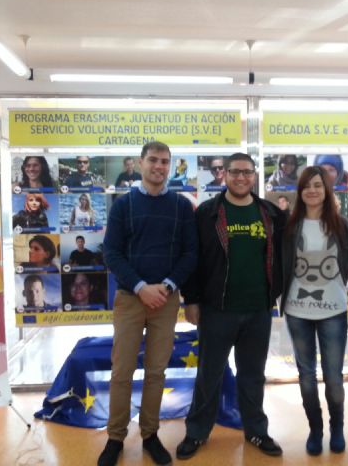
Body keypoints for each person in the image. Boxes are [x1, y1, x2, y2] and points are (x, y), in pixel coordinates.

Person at [176, 153, 287, 460]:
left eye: (247, 173)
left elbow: (282, 255)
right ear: (224, 174)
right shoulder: (208, 213)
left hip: (258, 309)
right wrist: (192, 300)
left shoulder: (269, 213)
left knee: (253, 375)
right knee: (209, 375)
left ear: (254, 176)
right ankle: (197, 432)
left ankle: (256, 430)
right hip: (217, 310)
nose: (241, 178)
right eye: (235, 172)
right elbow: (194, 259)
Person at [98, 141, 197, 466]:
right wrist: (141, 287)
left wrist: (166, 286)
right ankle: (115, 438)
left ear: (170, 166)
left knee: (156, 371)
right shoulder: (123, 206)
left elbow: (189, 253)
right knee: (122, 371)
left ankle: (150, 434)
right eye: (153, 160)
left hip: (165, 301)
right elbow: (112, 253)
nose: (159, 166)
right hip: (130, 299)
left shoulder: (182, 206)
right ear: (140, 163)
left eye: (165, 161)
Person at [280, 166, 348, 456]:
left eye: (318, 186)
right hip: (297, 310)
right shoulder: (289, 227)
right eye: (307, 186)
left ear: (327, 191)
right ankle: (316, 428)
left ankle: (337, 427)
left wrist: (338, 282)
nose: (312, 190)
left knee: (333, 378)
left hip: (333, 309)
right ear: (300, 191)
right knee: (306, 377)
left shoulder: (341, 226)